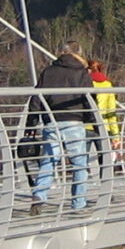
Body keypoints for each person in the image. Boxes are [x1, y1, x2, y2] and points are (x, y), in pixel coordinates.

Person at [31, 45, 96, 211]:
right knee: (79, 164)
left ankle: (39, 195)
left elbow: (37, 97)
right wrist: (91, 119)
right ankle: (78, 203)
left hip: (51, 120)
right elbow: (89, 98)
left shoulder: (48, 72)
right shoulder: (81, 72)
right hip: (74, 121)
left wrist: (32, 120)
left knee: (49, 161)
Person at [87, 58, 122, 175]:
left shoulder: (83, 83)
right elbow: (111, 112)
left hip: (84, 127)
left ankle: (80, 190)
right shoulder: (108, 85)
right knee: (105, 161)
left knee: (80, 162)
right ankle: (107, 190)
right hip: (103, 127)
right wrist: (115, 135)